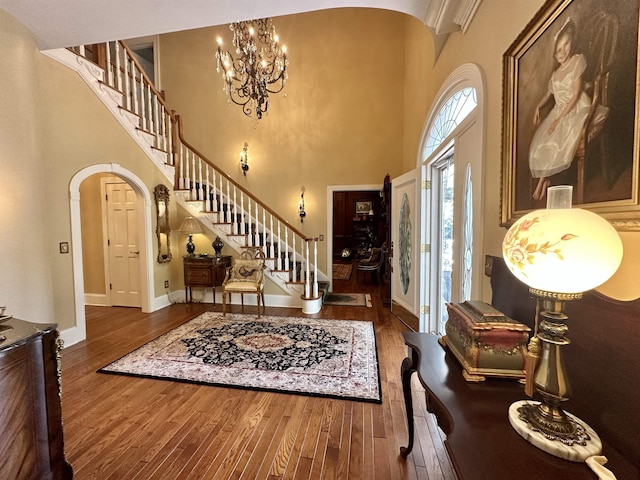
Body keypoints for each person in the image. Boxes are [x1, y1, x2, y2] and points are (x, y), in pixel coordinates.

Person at [528, 18, 608, 201]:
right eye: (558, 50)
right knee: (543, 142)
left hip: (576, 107)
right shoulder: (555, 74)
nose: (563, 51)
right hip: (560, 109)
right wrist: (538, 108)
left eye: (566, 45)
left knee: (559, 135)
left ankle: (542, 182)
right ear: (555, 55)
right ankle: (544, 180)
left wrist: (559, 119)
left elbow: (575, 94)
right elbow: (548, 95)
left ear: (571, 43)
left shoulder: (577, 61)